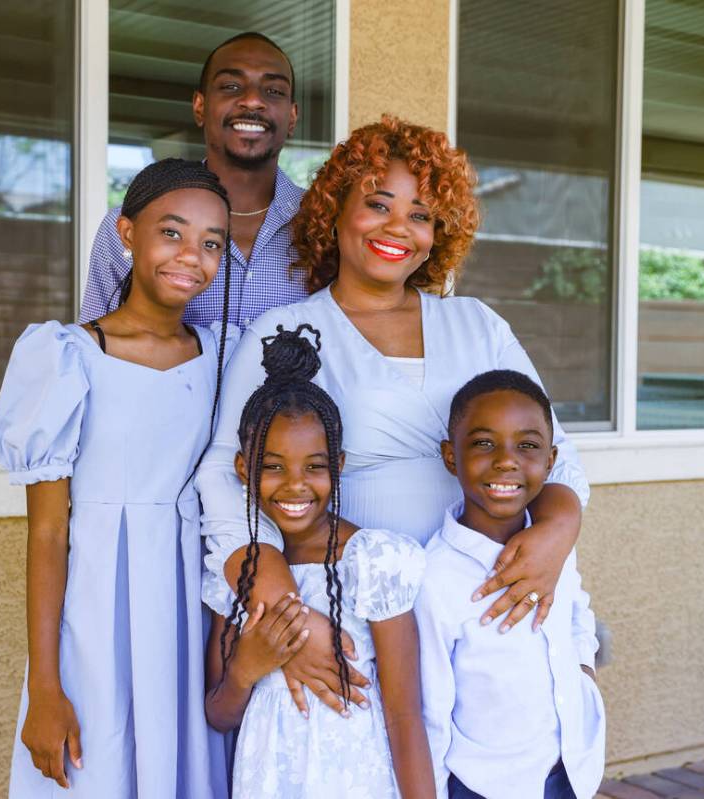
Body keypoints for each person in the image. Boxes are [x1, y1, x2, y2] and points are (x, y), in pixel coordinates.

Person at [197, 116, 590, 717]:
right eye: (378, 203)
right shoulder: (282, 335)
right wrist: (286, 616)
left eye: (421, 214)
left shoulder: (478, 325)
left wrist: (556, 538)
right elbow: (229, 479)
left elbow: (555, 451)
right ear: (334, 208)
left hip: (485, 599)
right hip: (351, 610)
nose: (397, 228)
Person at [0, 159, 233, 798]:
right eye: (173, 233)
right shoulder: (67, 356)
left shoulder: (229, 356)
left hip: (191, 610)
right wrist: (45, 686)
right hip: (96, 614)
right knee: (100, 764)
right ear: (127, 233)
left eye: (212, 243)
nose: (192, 256)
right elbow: (47, 535)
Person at [204, 324, 435, 798]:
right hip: (269, 781)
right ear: (243, 468)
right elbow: (219, 713)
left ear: (340, 465)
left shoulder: (372, 560)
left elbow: (406, 714)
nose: (295, 485)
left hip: (356, 779)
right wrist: (249, 665)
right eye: (272, 466)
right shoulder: (239, 576)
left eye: (315, 466)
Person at [416, 370, 605, 799]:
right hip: (485, 784)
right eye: (484, 443)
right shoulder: (435, 576)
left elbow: (578, 611)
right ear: (451, 456)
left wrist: (584, 673)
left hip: (571, 768)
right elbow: (430, 709)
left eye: (528, 446)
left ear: (551, 460)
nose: (506, 460)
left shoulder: (554, 544)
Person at [80, 32, 306, 328]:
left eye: (274, 91)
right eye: (231, 86)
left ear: (292, 117)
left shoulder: (328, 227)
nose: (252, 100)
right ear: (200, 106)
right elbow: (97, 351)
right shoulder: (135, 224)